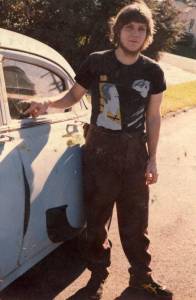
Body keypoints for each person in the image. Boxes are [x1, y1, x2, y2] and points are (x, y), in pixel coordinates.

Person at [26, 1, 173, 299]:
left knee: (136, 221)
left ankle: (141, 278)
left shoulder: (153, 71)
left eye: (141, 29)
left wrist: (153, 159)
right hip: (99, 150)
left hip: (134, 153)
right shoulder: (96, 62)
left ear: (147, 36)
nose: (134, 33)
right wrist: (47, 105)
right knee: (96, 220)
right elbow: (73, 96)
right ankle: (97, 276)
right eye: (129, 27)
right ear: (117, 30)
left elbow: (153, 116)